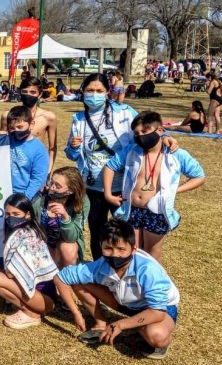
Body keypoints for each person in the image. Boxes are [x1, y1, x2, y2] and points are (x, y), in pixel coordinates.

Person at [64, 73, 179, 261]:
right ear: (83, 92)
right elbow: (72, 154)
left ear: (107, 92)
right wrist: (73, 147)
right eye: (90, 90)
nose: (94, 95)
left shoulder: (124, 112)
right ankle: (101, 269)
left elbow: (146, 129)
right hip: (93, 186)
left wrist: (164, 137)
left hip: (124, 186)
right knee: (97, 231)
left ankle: (128, 269)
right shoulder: (79, 119)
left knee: (126, 232)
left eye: (99, 91)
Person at [53, 219, 180, 360]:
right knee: (79, 281)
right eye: (108, 248)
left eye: (121, 249)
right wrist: (76, 313)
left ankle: (148, 330)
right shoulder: (100, 265)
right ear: (100, 246)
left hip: (159, 308)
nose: (114, 255)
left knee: (156, 336)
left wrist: (121, 324)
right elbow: (61, 278)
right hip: (126, 303)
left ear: (133, 249)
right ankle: (100, 323)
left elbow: (157, 311)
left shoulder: (148, 269)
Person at [103, 111, 205, 262]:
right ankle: (132, 281)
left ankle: (150, 282)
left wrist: (175, 190)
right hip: (131, 209)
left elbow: (199, 176)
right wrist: (108, 194)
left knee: (152, 251)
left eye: (144, 131)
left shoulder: (176, 154)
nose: (140, 136)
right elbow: (110, 166)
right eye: (136, 133)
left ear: (160, 130)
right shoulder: (131, 151)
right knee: (131, 249)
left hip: (157, 211)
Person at [0, 193, 59, 329]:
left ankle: (31, 312)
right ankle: (29, 308)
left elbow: (10, 274)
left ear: (27, 214)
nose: (11, 218)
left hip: (44, 299)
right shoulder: (21, 231)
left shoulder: (28, 235)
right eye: (8, 214)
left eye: (16, 213)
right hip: (36, 295)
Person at [33, 166, 89, 268]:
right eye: (51, 183)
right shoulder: (40, 200)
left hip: (64, 245)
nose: (52, 187)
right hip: (42, 243)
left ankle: (68, 280)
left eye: (58, 186)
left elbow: (71, 238)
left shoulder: (81, 203)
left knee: (68, 247)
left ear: (71, 190)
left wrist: (65, 217)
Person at [0, 78, 57, 175]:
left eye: (33, 92)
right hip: (14, 167)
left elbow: (52, 148)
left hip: (36, 166)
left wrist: (47, 173)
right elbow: (3, 144)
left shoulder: (48, 117)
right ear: (19, 92)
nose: (28, 95)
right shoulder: (7, 116)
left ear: (40, 94)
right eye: (24, 92)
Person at [6, 106, 49, 203]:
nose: (16, 130)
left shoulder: (39, 149)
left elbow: (38, 179)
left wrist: (25, 199)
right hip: (4, 193)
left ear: (31, 124)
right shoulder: (6, 141)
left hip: (25, 197)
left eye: (20, 127)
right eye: (12, 128)